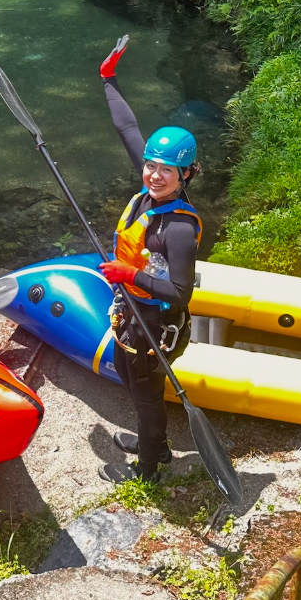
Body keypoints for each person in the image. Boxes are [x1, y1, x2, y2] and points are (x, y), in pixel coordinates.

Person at [95, 35, 202, 484]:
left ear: (185, 175)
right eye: (150, 166)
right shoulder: (148, 193)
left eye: (166, 171)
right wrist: (108, 79)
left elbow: (180, 293)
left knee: (145, 395)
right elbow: (127, 128)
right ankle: (152, 443)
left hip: (157, 324)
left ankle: (150, 468)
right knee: (131, 380)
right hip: (132, 312)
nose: (154, 176)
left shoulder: (178, 229)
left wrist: (129, 273)